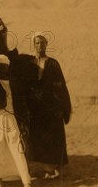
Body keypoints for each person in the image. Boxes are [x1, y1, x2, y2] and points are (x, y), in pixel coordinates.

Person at [0, 55, 33, 187]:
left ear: (7, 67)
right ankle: (0, 185)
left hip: (10, 117)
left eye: (2, 66)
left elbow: (21, 104)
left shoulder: (14, 83)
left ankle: (26, 183)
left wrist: (23, 121)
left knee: (17, 148)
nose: (0, 69)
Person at [27, 32, 71, 179]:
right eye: (37, 43)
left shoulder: (53, 63)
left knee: (56, 137)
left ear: (47, 44)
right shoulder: (30, 63)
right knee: (40, 138)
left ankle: (59, 168)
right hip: (37, 108)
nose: (40, 46)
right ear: (34, 45)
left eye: (43, 43)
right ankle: (47, 169)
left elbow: (61, 86)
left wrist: (63, 107)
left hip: (52, 107)